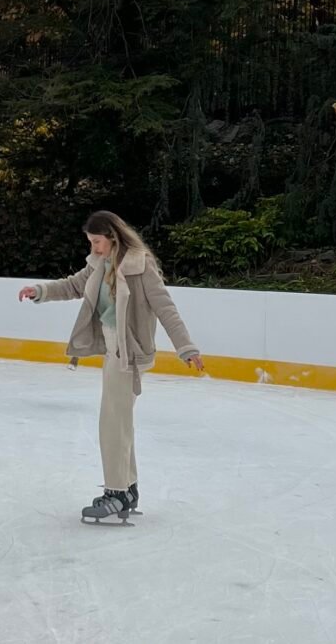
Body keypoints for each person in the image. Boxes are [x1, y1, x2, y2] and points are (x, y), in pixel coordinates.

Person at [19, 211, 204, 523]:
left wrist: (186, 348)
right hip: (111, 350)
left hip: (128, 353)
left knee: (111, 422)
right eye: (90, 242)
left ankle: (116, 493)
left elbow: (165, 308)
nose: (93, 247)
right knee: (120, 421)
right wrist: (40, 291)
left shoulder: (139, 266)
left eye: (97, 241)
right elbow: (72, 286)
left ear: (113, 237)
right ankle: (128, 488)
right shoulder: (97, 263)